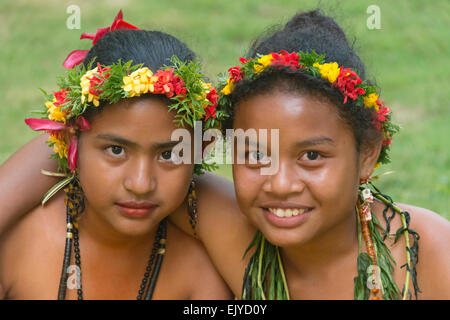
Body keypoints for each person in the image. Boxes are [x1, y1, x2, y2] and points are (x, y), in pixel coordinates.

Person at [1, 10, 449, 300]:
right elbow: (106, 142)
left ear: (367, 154)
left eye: (312, 156)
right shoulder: (219, 219)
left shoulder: (426, 248)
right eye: (255, 155)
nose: (280, 183)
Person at [0, 12, 232, 300]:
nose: (140, 183)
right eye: (116, 150)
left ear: (198, 152)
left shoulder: (202, 271)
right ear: (73, 142)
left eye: (169, 154)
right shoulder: (17, 249)